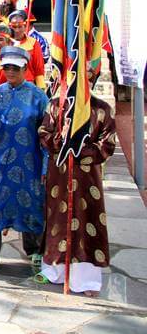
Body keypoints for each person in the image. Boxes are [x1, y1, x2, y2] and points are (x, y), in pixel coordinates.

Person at [35, 68, 116, 296]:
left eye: (86, 78)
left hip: (87, 179)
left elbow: (107, 144)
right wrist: (60, 144)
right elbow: (44, 132)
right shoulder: (55, 106)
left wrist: (78, 152)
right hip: (59, 176)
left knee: (87, 222)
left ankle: (86, 281)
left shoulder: (102, 109)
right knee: (57, 220)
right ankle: (55, 271)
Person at [0, 46, 49, 275]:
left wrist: (46, 166)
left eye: (15, 68)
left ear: (25, 68)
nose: (10, 71)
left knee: (32, 205)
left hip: (29, 162)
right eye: (6, 67)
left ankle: (35, 252)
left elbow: (46, 134)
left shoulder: (38, 97)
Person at [8, 10, 46, 89]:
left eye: (20, 27)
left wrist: (41, 90)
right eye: (14, 27)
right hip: (6, 86)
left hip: (27, 86)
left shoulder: (33, 43)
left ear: (25, 27)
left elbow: (39, 70)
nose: (17, 30)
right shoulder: (4, 42)